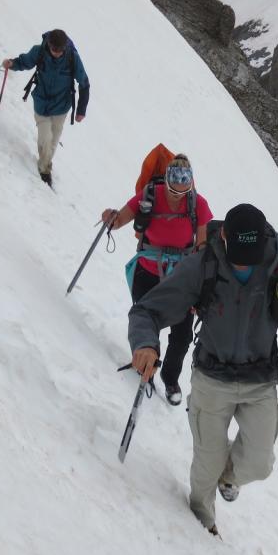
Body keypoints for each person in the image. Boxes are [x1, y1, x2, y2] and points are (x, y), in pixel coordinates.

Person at [127, 203, 278, 536]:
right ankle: (202, 527)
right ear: (223, 236)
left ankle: (228, 477)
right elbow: (146, 311)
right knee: (206, 465)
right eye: (237, 253)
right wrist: (145, 344)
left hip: (260, 379)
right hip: (212, 378)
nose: (242, 262)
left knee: (259, 463)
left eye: (249, 256)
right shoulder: (203, 265)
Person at [101, 155, 213, 405]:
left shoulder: (198, 204)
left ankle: (170, 376)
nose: (176, 196)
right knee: (146, 321)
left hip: (181, 277)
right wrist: (111, 217)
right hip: (148, 270)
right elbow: (121, 218)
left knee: (182, 334)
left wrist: (201, 285)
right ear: (166, 182)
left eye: (181, 191)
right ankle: (147, 365)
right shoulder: (150, 194)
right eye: (172, 190)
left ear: (190, 186)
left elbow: (203, 246)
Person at [2, 29, 89, 185]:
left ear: (64, 48)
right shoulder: (39, 51)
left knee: (53, 141)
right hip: (42, 102)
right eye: (54, 49)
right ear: (48, 44)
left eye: (59, 50)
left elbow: (84, 83)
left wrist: (81, 110)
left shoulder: (72, 58)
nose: (56, 53)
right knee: (45, 138)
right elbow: (25, 62)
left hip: (62, 106)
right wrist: (12, 63)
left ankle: (45, 162)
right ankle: (44, 170)